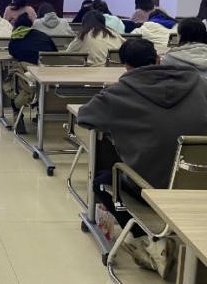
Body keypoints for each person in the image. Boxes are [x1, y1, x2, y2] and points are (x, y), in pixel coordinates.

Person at [78, 39, 207, 278]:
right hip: (199, 182)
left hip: (151, 188)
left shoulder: (117, 94)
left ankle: (149, 241)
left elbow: (85, 117)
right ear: (158, 58)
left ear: (125, 65)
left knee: (102, 181)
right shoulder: (198, 84)